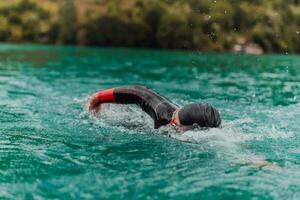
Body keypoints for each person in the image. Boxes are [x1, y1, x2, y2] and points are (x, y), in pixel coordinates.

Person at [89, 85, 221, 131]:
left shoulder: (209, 133)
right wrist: (98, 97)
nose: (172, 126)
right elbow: (138, 91)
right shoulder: (161, 111)